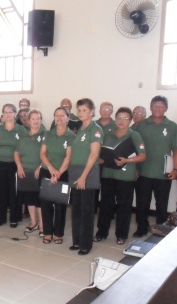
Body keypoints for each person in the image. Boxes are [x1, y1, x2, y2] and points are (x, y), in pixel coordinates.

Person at [93, 107, 146, 244]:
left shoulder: (134, 135)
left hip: (125, 177)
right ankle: (101, 232)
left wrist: (128, 160)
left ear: (130, 121)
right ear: (115, 119)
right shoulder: (108, 134)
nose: (122, 121)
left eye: (125, 118)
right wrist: (100, 159)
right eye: (119, 118)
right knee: (105, 205)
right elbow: (100, 152)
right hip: (108, 175)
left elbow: (142, 156)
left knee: (124, 206)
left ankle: (121, 234)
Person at [134, 95, 177, 237]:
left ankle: (161, 228)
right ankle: (141, 227)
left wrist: (176, 169)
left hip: (163, 173)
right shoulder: (141, 125)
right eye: (155, 106)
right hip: (143, 172)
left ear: (166, 108)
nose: (158, 109)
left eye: (161, 106)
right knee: (142, 203)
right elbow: (134, 147)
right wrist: (135, 167)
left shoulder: (172, 126)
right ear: (150, 107)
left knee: (162, 204)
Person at [69, 98, 102, 255]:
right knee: (76, 209)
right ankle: (76, 241)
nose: (81, 113)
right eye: (79, 110)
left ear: (92, 111)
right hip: (76, 172)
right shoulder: (81, 128)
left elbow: (94, 155)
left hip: (87, 174)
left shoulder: (95, 130)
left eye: (84, 110)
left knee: (87, 211)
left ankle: (86, 244)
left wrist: (83, 177)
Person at [39, 106, 76, 244]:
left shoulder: (71, 136)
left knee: (60, 205)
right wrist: (51, 169)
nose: (59, 118)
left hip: (63, 173)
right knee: (46, 203)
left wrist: (58, 173)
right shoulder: (48, 134)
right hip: (47, 171)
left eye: (62, 115)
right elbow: (42, 153)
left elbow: (68, 157)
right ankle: (47, 233)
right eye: (57, 115)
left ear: (68, 118)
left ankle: (59, 233)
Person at [0, 103, 27, 227]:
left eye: (11, 112)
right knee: (0, 192)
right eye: (6, 112)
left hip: (15, 165)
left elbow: (25, 149)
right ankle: (0, 218)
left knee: (14, 192)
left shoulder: (21, 130)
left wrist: (21, 166)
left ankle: (14, 218)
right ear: (3, 114)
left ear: (15, 114)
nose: (8, 114)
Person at [15, 109, 46, 234]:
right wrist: (19, 167)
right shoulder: (23, 136)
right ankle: (33, 222)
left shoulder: (46, 135)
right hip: (25, 171)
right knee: (29, 198)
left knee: (40, 199)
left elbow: (49, 154)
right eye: (33, 118)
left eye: (38, 118)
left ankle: (42, 225)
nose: (35, 121)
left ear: (41, 120)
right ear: (28, 120)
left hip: (40, 171)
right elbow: (16, 154)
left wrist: (40, 166)